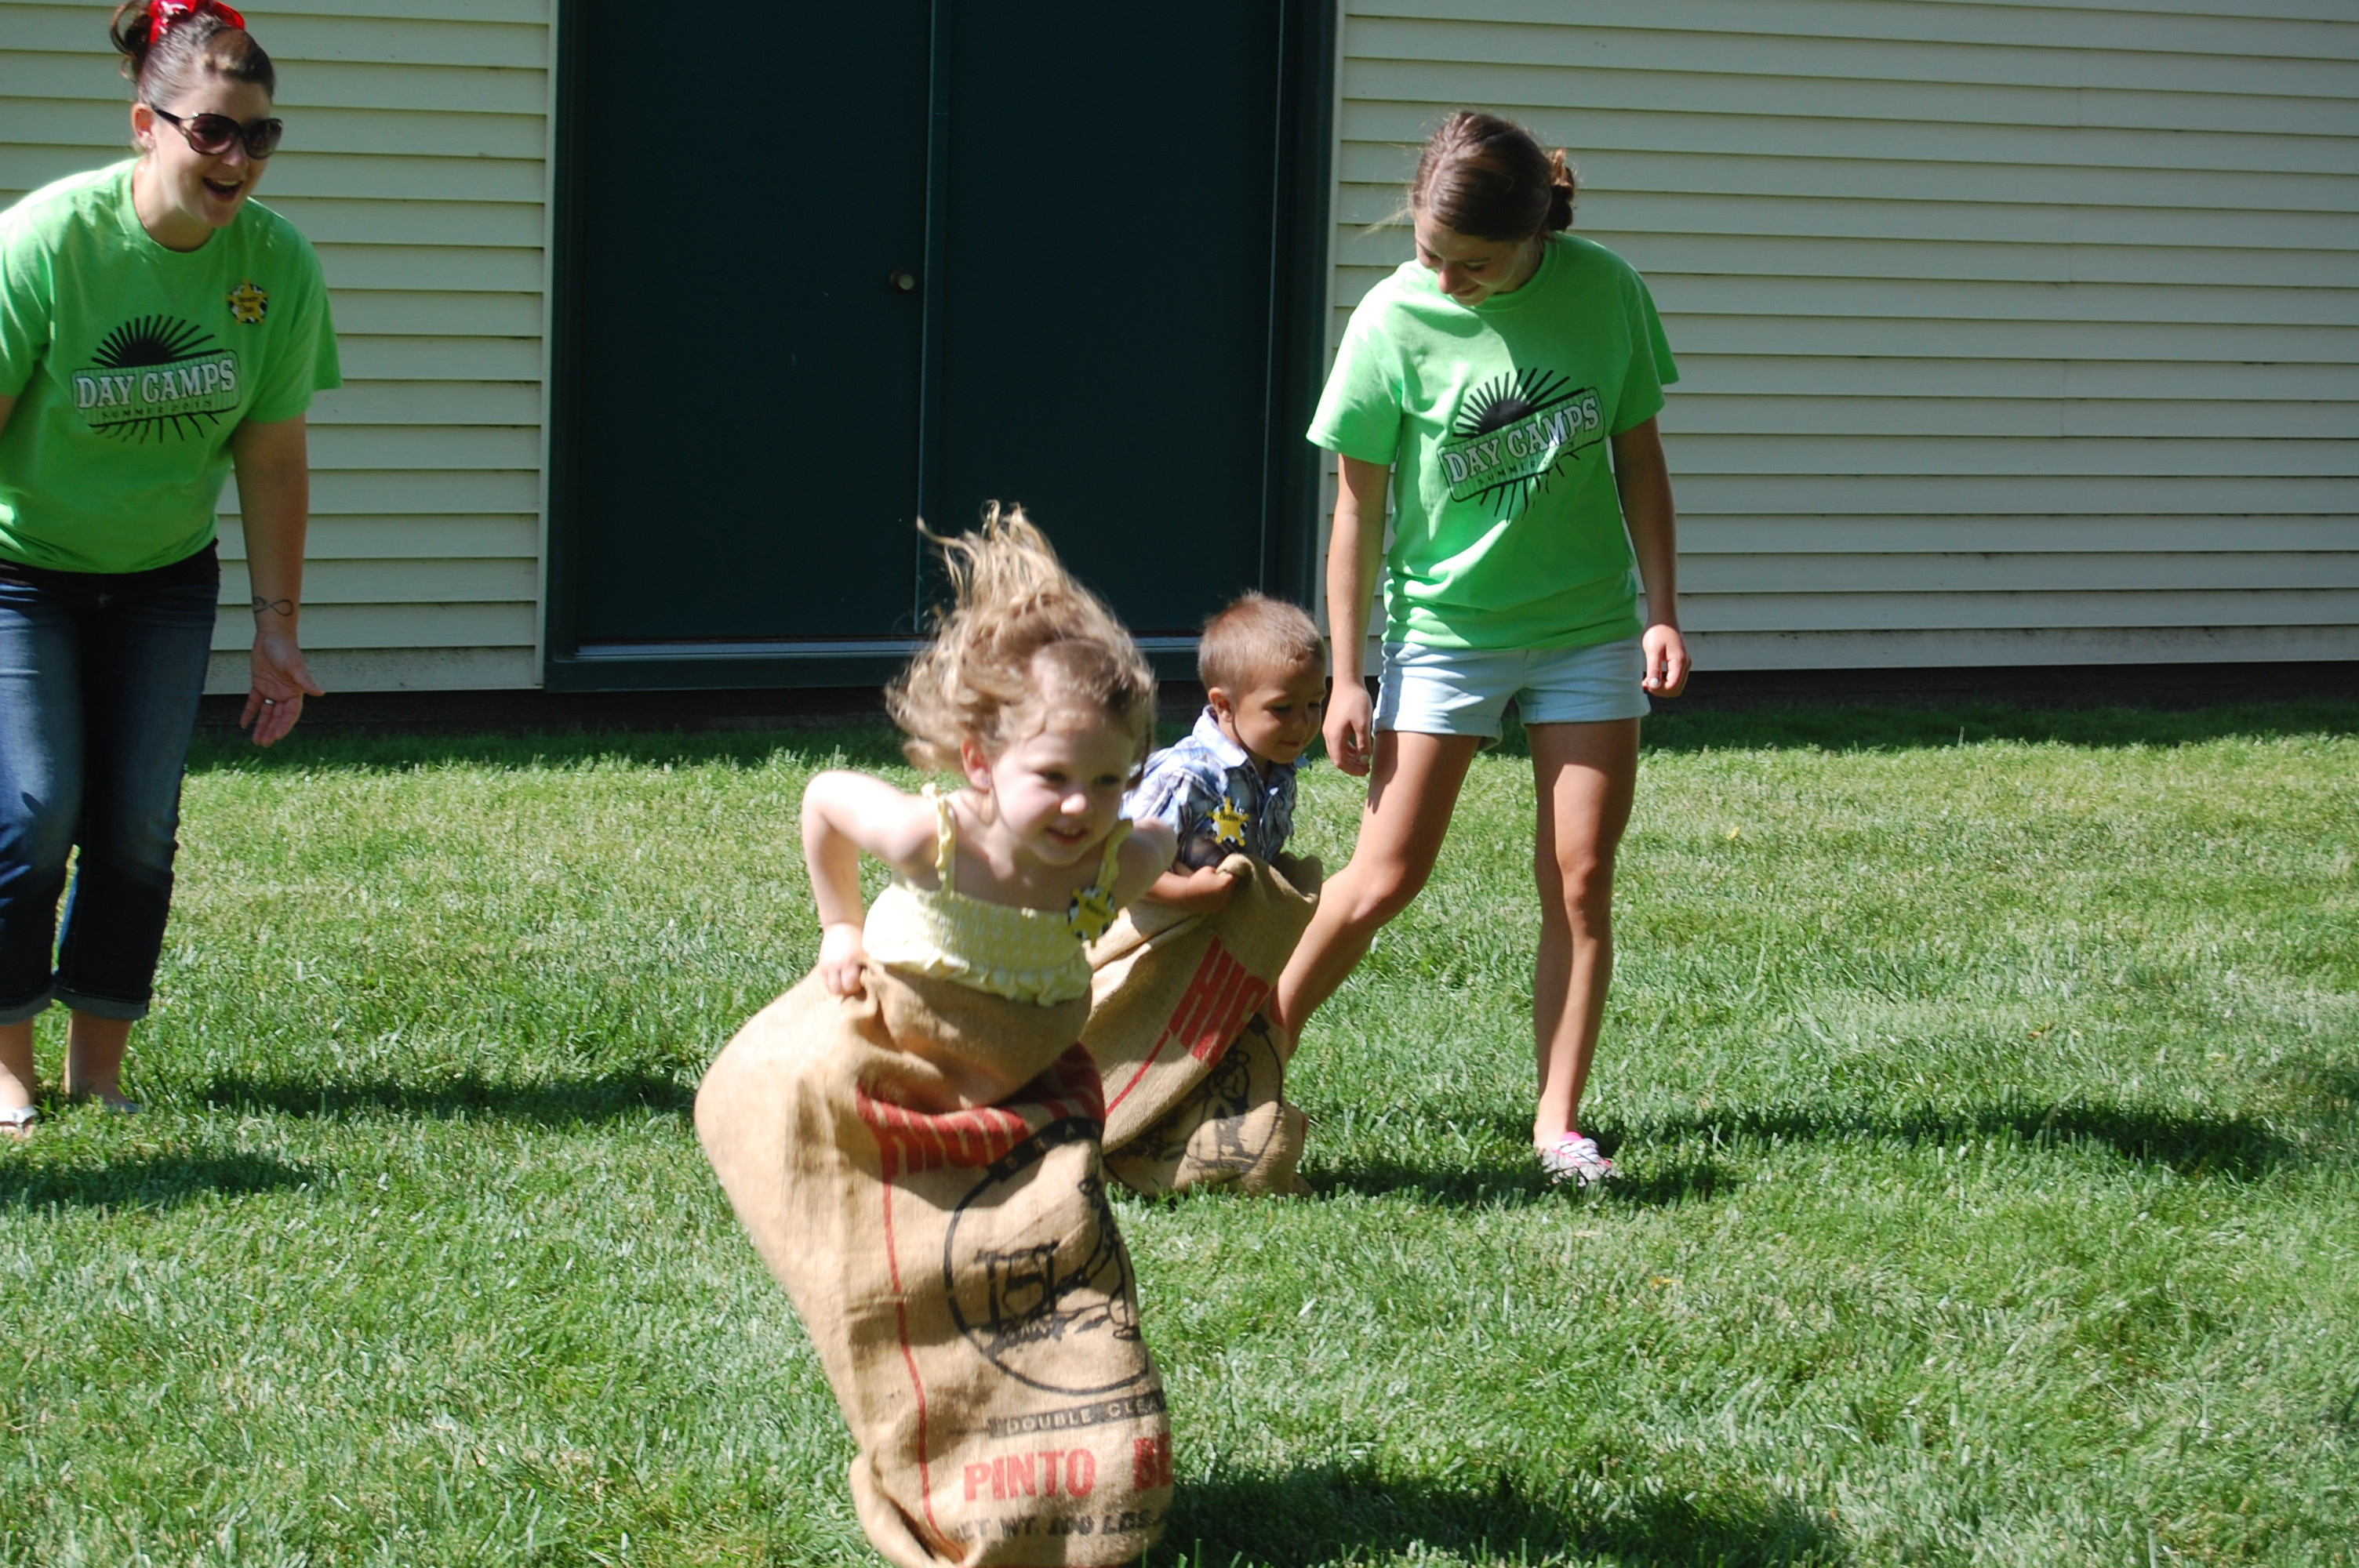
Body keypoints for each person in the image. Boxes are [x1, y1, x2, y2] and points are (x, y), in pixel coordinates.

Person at [696, 506, 1180, 1566]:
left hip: (1026, 1080)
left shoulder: (1118, 857)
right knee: (888, 1242)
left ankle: (1066, 1472)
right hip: (906, 1055)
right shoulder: (932, 839)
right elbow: (825, 801)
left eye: (1108, 779)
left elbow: (1160, 839)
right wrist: (836, 925)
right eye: (1055, 777)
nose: (1081, 808)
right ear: (978, 762)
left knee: (1057, 1274)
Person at [1275, 111, 1691, 1187]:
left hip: (1587, 629)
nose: (1446, 278)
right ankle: (1235, 1066)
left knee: (1582, 880)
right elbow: (1355, 513)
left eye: (1474, 262)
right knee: (1382, 878)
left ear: (1534, 229)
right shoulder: (1388, 319)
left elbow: (1639, 459)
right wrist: (1350, 669)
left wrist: (1660, 608)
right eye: (1429, 254)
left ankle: (1559, 1128)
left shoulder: (1605, 291)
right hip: (1444, 636)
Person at [0, 0, 337, 1135]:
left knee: (139, 821)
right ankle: (9, 1064)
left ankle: (100, 1065)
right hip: (22, 572)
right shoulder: (48, 242)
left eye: (261, 135)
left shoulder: (275, 266)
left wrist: (276, 625)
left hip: (161, 576)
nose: (239, 158)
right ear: (146, 123)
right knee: (36, 808)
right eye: (214, 132)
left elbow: (273, 455)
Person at [1127, 591, 1326, 912]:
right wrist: (1187, 893)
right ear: (1225, 706)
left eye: (1314, 704)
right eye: (1283, 708)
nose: (1303, 723)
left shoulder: (1278, 769)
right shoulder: (1185, 777)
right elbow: (1120, 864)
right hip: (1154, 928)